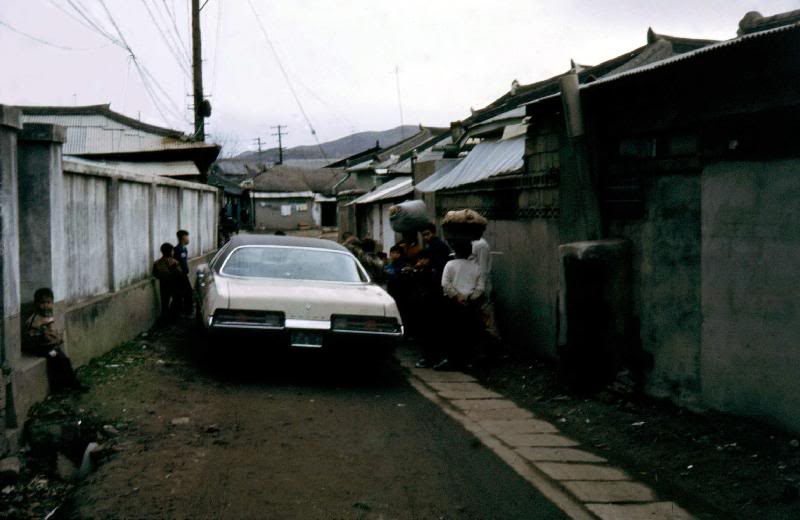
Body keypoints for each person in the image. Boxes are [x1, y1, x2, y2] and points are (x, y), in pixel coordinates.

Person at [24, 288, 86, 392]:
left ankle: (72, 383)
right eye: (42, 303)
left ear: (52, 303)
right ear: (36, 304)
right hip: (41, 349)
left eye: (48, 303)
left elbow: (55, 332)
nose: (45, 305)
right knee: (57, 359)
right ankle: (61, 386)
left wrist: (56, 338)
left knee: (64, 360)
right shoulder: (34, 320)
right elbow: (31, 337)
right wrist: (41, 335)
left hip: (51, 347)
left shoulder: (50, 316)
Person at [437, 240, 486, 370]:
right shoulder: (476, 267)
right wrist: (470, 297)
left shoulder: (450, 264)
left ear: (455, 252)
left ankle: (451, 360)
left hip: (452, 303)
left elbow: (445, 284)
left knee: (451, 332)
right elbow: (480, 288)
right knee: (469, 332)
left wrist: (457, 296)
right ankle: (468, 361)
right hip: (470, 304)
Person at [152, 242, 183, 322]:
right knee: (176, 299)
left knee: (164, 302)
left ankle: (165, 318)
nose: (173, 252)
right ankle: (173, 317)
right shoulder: (174, 262)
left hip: (163, 284)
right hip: (174, 284)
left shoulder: (157, 263)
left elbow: (155, 274)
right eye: (172, 250)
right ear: (170, 251)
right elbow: (179, 273)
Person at [173, 230, 193, 316]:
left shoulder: (184, 249)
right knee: (187, 293)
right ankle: (187, 312)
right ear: (183, 237)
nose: (188, 239)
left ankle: (181, 312)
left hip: (184, 274)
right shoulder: (178, 249)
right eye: (187, 237)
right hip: (180, 275)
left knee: (182, 294)